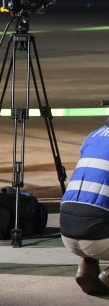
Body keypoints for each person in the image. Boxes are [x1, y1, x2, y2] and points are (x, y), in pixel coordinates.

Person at [60, 120, 109, 295]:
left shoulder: (92, 136)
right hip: (100, 238)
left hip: (67, 231)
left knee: (94, 199)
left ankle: (86, 267)